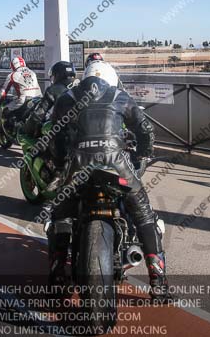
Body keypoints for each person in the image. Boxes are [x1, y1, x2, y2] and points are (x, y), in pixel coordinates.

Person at [45, 60, 168, 298]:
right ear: (111, 79)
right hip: (117, 166)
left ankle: (57, 273)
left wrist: (61, 164)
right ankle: (158, 280)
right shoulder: (120, 96)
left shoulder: (67, 97)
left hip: (78, 167)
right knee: (144, 216)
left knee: (60, 214)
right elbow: (145, 130)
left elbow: (56, 137)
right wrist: (142, 156)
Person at [24, 60, 76, 139]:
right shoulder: (80, 86)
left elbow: (39, 113)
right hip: (81, 129)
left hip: (63, 131)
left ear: (58, 75)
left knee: (46, 127)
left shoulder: (53, 89)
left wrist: (28, 128)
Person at [0, 56, 41, 130]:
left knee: (6, 110)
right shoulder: (32, 73)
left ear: (13, 65)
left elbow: (3, 91)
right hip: (39, 98)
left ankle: (11, 130)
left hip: (25, 100)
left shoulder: (12, 75)